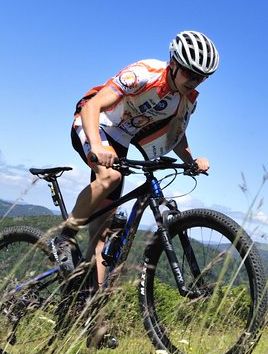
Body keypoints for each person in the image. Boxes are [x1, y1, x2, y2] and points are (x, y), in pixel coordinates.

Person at [56, 30, 219, 285]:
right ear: (174, 64)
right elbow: (93, 107)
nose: (195, 81)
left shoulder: (187, 100)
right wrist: (97, 146)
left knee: (101, 234)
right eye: (190, 73)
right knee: (110, 176)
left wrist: (191, 161)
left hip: (120, 141)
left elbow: (177, 135)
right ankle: (64, 238)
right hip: (95, 123)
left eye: (202, 77)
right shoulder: (144, 74)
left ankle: (87, 306)